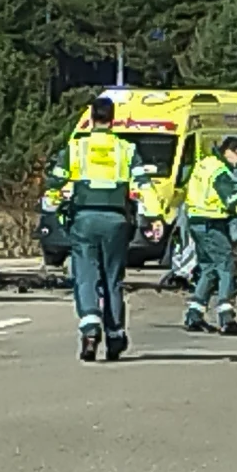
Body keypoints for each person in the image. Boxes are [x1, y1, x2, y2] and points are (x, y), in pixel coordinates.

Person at [45, 96, 152, 362]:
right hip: (116, 220)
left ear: (92, 118)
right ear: (113, 119)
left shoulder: (76, 147)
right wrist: (154, 216)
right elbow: (143, 185)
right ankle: (115, 335)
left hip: (84, 219)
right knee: (112, 279)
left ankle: (90, 330)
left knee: (86, 275)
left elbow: (55, 183)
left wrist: (53, 203)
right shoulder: (125, 149)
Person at [182, 137, 237, 335]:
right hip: (211, 223)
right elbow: (234, 201)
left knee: (208, 269)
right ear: (228, 151)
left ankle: (194, 316)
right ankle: (226, 318)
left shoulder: (204, 164)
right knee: (225, 266)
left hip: (196, 221)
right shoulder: (220, 172)